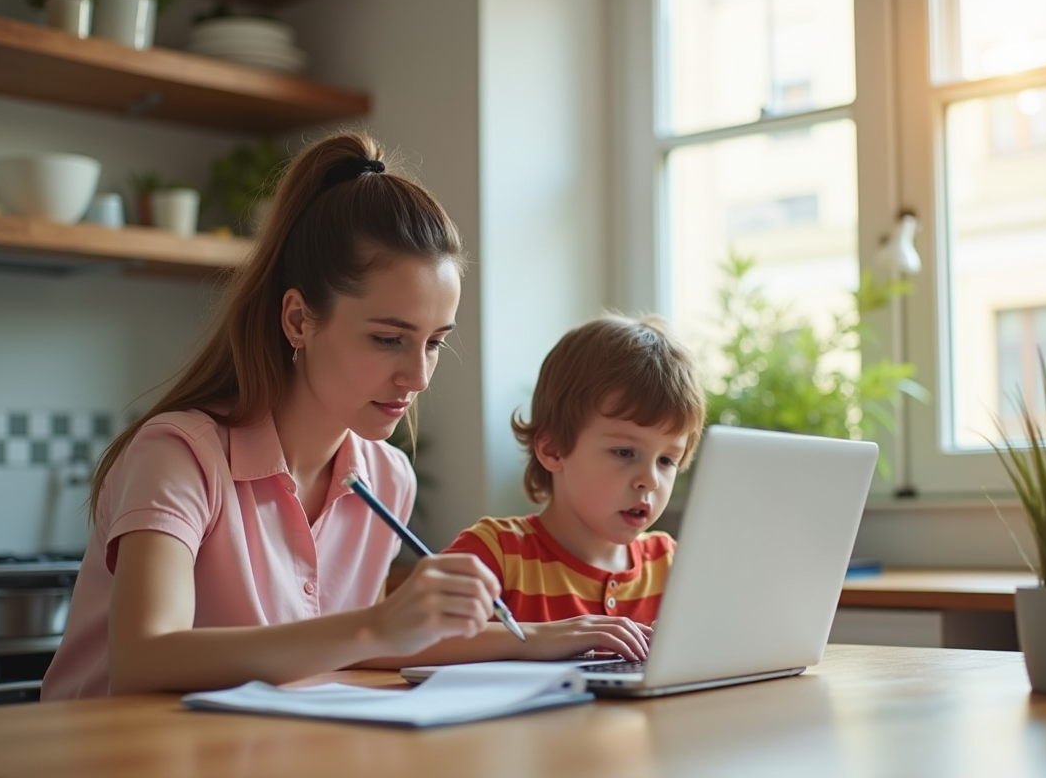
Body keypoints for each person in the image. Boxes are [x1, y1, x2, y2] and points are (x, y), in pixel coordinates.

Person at [41, 131, 647, 700]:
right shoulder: (178, 457)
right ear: (299, 320)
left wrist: (538, 641)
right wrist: (376, 627)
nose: (418, 376)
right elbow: (144, 662)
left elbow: (351, 646)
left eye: (434, 341)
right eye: (389, 339)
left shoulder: (387, 479)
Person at [443, 313, 706, 630]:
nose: (650, 480)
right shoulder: (496, 553)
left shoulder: (671, 565)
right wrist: (538, 639)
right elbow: (393, 645)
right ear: (553, 449)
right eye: (624, 452)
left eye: (666, 461)